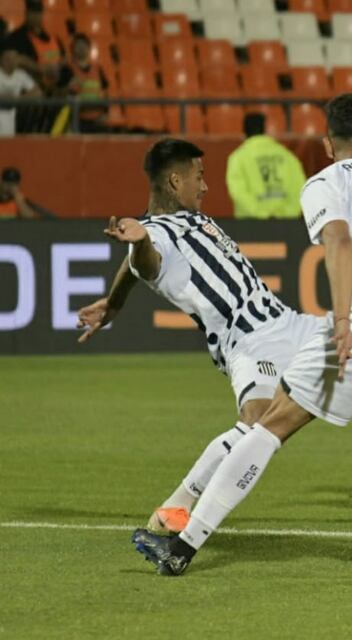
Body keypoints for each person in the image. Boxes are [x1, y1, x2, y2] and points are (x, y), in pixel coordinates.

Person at [130, 94, 352, 576]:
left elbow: (339, 241)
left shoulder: (326, 181)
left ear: (328, 145)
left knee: (270, 426)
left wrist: (342, 322)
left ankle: (181, 547)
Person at [76, 138, 327, 536]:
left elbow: (132, 267)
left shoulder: (185, 220)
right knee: (257, 423)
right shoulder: (156, 237)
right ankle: (178, 504)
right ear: (175, 181)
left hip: (289, 323)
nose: (206, 186)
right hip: (249, 341)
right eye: (199, 176)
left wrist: (114, 302)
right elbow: (147, 262)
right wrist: (140, 243)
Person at [226, 113, 307, 219]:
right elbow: (300, 188)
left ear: (244, 132)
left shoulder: (238, 158)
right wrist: (288, 213)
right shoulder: (287, 156)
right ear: (266, 130)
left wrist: (262, 214)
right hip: (287, 223)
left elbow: (238, 192)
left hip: (250, 224)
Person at [61, 33, 110, 133]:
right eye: (78, 45)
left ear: (89, 48)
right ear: (72, 49)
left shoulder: (97, 68)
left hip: (98, 119)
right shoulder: (67, 68)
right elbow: (61, 93)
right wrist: (68, 88)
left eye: (84, 45)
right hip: (77, 119)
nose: (81, 48)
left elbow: (105, 92)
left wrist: (105, 112)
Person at [4, 1, 62, 77]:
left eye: (38, 12)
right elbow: (9, 62)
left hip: (58, 79)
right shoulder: (16, 37)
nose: (35, 16)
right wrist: (37, 68)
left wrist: (57, 66)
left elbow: (64, 57)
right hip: (30, 81)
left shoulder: (52, 36)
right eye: (32, 12)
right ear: (26, 13)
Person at [0, 41, 40, 136]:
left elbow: (38, 92)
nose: (13, 61)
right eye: (9, 58)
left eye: (15, 58)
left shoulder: (20, 75)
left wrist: (18, 99)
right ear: (2, 60)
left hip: (10, 118)